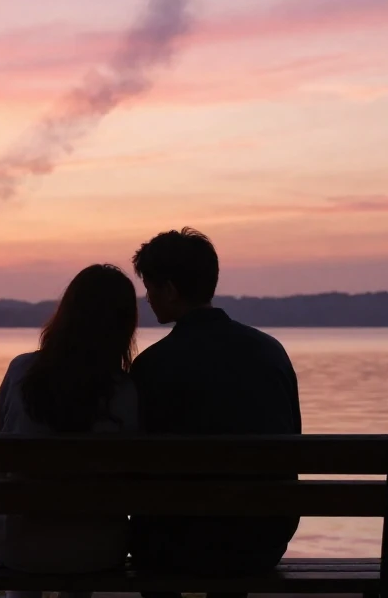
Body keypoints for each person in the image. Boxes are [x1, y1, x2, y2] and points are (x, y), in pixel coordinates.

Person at [129, 227, 302, 583]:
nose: (147, 298)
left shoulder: (151, 366)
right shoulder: (270, 352)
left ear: (171, 290)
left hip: (171, 545)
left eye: (149, 287)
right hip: (262, 541)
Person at [0, 263, 141, 598]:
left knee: (24, 528)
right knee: (84, 530)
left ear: (66, 313)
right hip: (99, 549)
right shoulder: (127, 391)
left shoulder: (21, 372)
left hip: (20, 546)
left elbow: (1, 462)